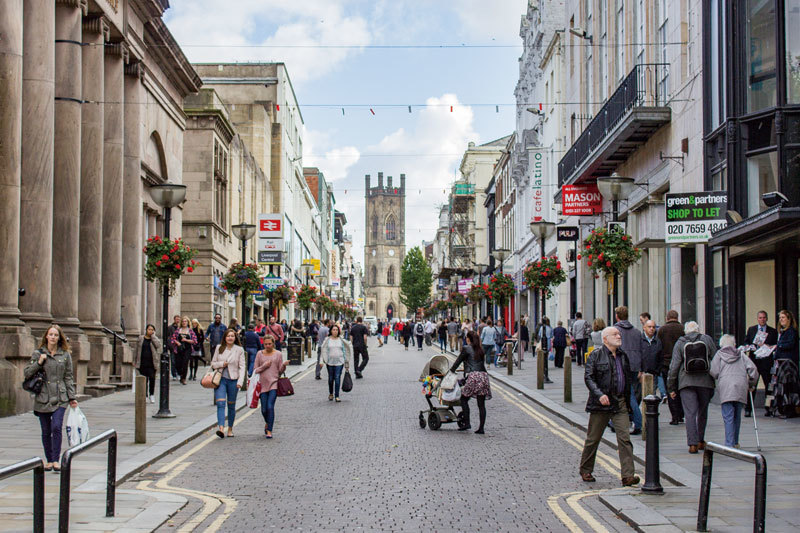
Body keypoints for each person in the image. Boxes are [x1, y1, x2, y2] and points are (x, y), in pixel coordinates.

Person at [579, 327, 639, 486]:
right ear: (605, 339)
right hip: (601, 404)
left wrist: (629, 402)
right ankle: (586, 470)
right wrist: (600, 395)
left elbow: (627, 380)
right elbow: (589, 378)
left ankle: (628, 475)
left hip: (619, 403)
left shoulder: (623, 356)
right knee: (593, 439)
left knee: (625, 439)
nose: (619, 336)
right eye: (615, 334)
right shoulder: (595, 355)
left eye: (619, 334)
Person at [25, 324, 78, 472]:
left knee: (56, 427)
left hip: (60, 397)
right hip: (43, 397)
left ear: (59, 338)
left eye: (56, 335)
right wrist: (39, 362)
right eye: (51, 334)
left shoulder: (65, 355)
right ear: (46, 337)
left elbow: (68, 377)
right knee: (46, 430)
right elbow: (27, 373)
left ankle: (56, 460)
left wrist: (72, 396)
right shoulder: (38, 353)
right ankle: (49, 460)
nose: (53, 337)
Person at [667, 321, 717, 453]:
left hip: (686, 382)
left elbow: (674, 366)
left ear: (685, 331)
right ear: (698, 329)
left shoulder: (681, 342)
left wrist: (671, 387)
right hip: (705, 381)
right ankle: (701, 440)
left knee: (690, 413)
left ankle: (692, 444)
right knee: (702, 412)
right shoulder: (706, 339)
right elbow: (715, 358)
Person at [709, 335, 758, 448]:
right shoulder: (740, 354)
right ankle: (735, 442)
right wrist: (751, 383)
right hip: (740, 386)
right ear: (733, 344)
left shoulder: (719, 354)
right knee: (737, 416)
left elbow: (713, 371)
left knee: (728, 417)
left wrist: (719, 376)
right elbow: (753, 369)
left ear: (722, 344)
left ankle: (729, 444)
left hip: (726, 387)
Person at [450, 330, 492, 434]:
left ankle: (467, 423)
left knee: (464, 399)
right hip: (483, 376)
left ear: (468, 339)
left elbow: (457, 362)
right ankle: (481, 428)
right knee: (481, 404)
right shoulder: (480, 349)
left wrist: (450, 372)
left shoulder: (466, 348)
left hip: (473, 376)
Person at [210, 328, 246, 438]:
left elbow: (242, 367)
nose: (230, 338)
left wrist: (240, 382)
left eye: (232, 336)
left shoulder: (239, 350)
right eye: (228, 336)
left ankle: (230, 428)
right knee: (220, 404)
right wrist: (222, 363)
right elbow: (213, 364)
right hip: (220, 380)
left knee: (231, 405)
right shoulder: (219, 348)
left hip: (233, 380)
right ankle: (221, 428)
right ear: (224, 338)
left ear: (235, 338)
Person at [614, 306, 643, 435]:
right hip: (635, 366)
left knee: (625, 394)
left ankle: (638, 421)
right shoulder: (637, 332)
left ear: (617, 316)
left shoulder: (615, 331)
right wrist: (641, 368)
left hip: (622, 366)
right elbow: (642, 351)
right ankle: (630, 419)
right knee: (634, 394)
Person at [743, 310, 778, 417]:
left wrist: (767, 346)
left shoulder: (772, 331)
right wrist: (749, 347)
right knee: (752, 385)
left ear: (766, 319)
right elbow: (746, 342)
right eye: (760, 318)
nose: (762, 319)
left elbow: (775, 345)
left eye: (764, 318)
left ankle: (769, 408)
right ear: (757, 319)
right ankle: (748, 408)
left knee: (769, 386)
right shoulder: (752, 329)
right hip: (754, 361)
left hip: (767, 362)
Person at [253, 335, 289, 439]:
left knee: (270, 406)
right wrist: (264, 366)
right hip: (262, 384)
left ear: (273, 344)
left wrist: (284, 366)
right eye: (266, 344)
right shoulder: (259, 354)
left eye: (270, 344)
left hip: (274, 383)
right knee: (264, 409)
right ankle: (267, 422)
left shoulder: (278, 354)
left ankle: (269, 430)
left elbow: (280, 371)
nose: (268, 346)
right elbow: (255, 370)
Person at [658, 310, 685, 425]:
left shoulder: (662, 330)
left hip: (666, 363)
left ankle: (674, 415)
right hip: (681, 364)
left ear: (667, 318)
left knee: (670, 389)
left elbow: (658, 347)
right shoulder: (682, 329)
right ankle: (681, 413)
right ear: (677, 317)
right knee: (681, 389)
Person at [318, 324, 352, 402]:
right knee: (330, 379)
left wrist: (346, 363)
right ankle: (331, 393)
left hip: (339, 362)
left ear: (338, 331)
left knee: (337, 378)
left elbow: (346, 351)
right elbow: (323, 350)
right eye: (333, 330)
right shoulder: (327, 340)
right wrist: (321, 361)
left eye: (336, 330)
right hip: (329, 362)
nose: (335, 331)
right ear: (331, 331)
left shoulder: (341, 340)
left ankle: (337, 395)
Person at [135, 324, 161, 403]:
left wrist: (153, 337)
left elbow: (158, 345)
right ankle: (145, 395)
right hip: (142, 362)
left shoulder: (154, 339)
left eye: (152, 330)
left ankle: (151, 394)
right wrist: (134, 361)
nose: (150, 331)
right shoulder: (140, 338)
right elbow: (136, 350)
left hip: (152, 363)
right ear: (146, 330)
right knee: (144, 380)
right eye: (149, 329)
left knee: (152, 379)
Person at [170, 316, 197, 385]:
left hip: (187, 349)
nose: (184, 323)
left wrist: (186, 340)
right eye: (183, 321)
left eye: (185, 321)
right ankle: (180, 374)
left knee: (185, 363)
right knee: (178, 364)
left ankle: (183, 378)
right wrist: (177, 342)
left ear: (188, 322)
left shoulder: (190, 331)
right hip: (179, 349)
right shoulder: (178, 330)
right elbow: (172, 339)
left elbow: (194, 341)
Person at [641, 320, 664, 397]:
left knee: (652, 398)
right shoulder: (640, 340)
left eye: (653, 327)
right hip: (642, 373)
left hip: (654, 374)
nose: (652, 329)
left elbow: (660, 356)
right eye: (649, 327)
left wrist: (658, 370)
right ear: (644, 328)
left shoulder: (658, 341)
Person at [537, 317, 554, 383]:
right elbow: (552, 336)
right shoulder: (550, 328)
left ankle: (544, 375)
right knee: (545, 359)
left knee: (543, 359)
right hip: (548, 344)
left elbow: (539, 335)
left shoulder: (542, 328)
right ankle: (545, 376)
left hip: (543, 344)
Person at [167, 314, 181, 380]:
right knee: (173, 361)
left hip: (179, 347)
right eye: (176, 319)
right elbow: (169, 337)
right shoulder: (170, 327)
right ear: (174, 319)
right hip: (172, 346)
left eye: (178, 319)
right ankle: (174, 374)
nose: (177, 320)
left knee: (179, 361)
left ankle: (178, 373)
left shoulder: (180, 328)